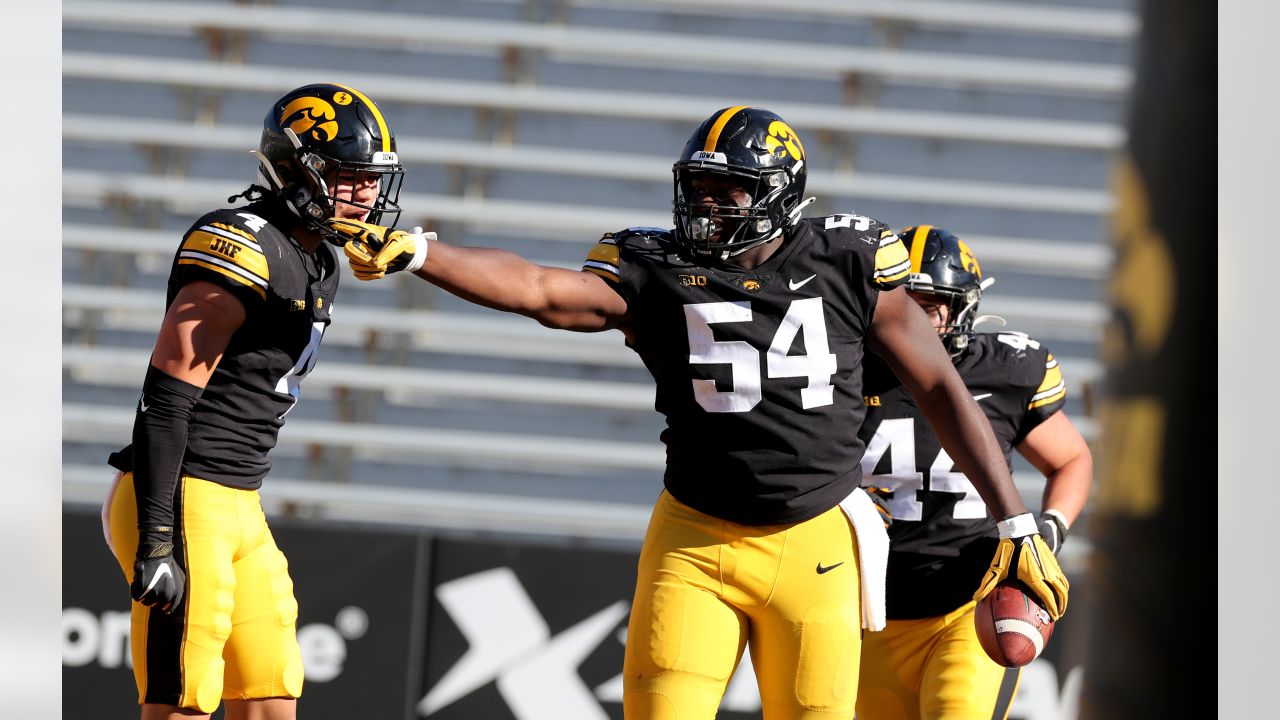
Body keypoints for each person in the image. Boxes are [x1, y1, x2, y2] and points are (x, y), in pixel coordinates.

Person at [323, 106, 1069, 719]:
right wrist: (422, 253)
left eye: (730, 191)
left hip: (815, 540)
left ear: (779, 194)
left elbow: (941, 388)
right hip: (695, 537)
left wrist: (1014, 520)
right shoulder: (657, 266)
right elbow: (542, 291)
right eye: (700, 188)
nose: (708, 206)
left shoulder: (847, 257)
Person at [99, 82, 405, 719]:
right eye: (348, 177)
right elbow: (166, 397)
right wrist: (157, 539)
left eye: (372, 180)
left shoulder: (321, 260)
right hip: (182, 488)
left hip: (240, 495)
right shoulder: (240, 244)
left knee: (271, 695)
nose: (366, 195)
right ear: (296, 169)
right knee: (183, 701)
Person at [855, 226, 1093, 720]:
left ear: (961, 309)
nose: (911, 319)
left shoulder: (1001, 373)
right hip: (868, 613)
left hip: (969, 603)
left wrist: (1051, 526)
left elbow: (1071, 458)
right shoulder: (845, 368)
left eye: (929, 306)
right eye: (903, 301)